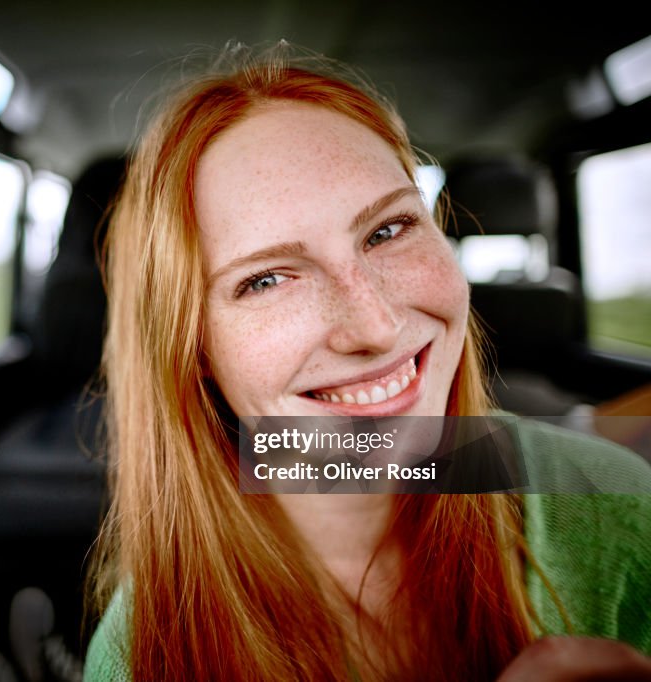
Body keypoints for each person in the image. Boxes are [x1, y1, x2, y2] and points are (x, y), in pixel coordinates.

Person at [83, 46, 651, 681]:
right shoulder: (141, 653)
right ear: (194, 351)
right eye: (268, 279)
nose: (375, 327)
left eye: (388, 230)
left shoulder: (615, 503)